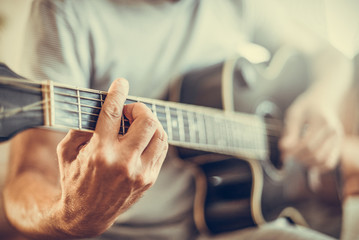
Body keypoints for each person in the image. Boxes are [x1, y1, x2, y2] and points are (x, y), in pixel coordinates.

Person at [2, 0, 354, 239]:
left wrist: (322, 98)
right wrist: (73, 216)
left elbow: (330, 54)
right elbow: (23, 183)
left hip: (238, 223)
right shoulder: (64, 11)